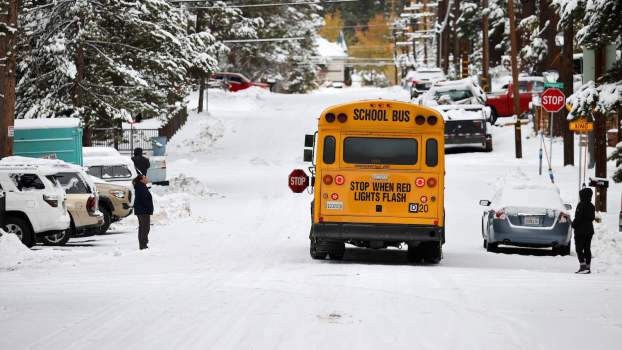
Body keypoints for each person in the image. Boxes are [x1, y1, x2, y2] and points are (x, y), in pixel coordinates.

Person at [572, 187, 596, 274]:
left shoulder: (581, 205)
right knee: (587, 248)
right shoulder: (592, 206)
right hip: (589, 230)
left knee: (579, 249)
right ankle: (588, 267)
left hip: (580, 231)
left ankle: (582, 266)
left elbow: (578, 217)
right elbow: (592, 217)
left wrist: (573, 224)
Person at [133, 174, 153, 250]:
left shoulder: (141, 186)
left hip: (141, 210)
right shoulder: (141, 188)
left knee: (143, 227)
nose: (146, 178)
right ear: (141, 180)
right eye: (145, 177)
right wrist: (149, 209)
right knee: (145, 228)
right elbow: (145, 200)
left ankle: (142, 244)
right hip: (143, 211)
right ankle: (143, 245)